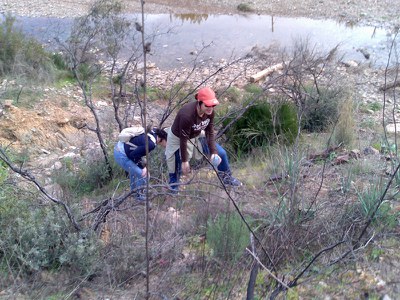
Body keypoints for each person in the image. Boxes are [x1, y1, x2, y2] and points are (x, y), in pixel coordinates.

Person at [165, 86, 242, 191]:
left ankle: (226, 178)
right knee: (176, 162)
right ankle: (173, 187)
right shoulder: (187, 115)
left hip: (196, 134)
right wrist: (185, 160)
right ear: (199, 102)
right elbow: (183, 139)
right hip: (178, 138)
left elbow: (209, 132)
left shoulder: (210, 112)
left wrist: (213, 151)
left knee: (221, 153)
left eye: (213, 105)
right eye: (207, 105)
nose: (210, 108)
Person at [114, 127, 167, 202]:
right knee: (145, 175)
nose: (167, 146)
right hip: (122, 155)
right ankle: (139, 197)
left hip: (119, 148)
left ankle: (134, 192)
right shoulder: (151, 144)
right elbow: (133, 155)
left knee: (135, 173)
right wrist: (143, 167)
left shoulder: (153, 132)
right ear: (163, 139)